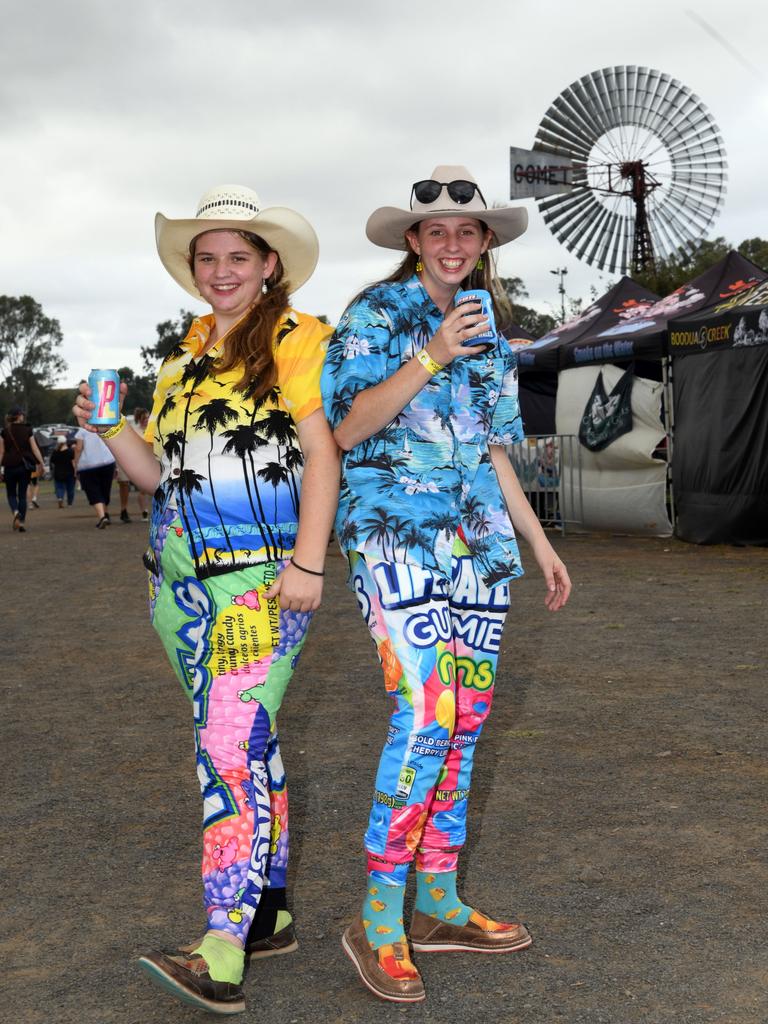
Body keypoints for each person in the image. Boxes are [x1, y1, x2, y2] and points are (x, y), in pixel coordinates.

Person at [74, 183, 339, 1015]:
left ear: (269, 265)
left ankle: (221, 948)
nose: (221, 270)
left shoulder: (301, 340)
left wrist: (309, 563)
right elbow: (156, 478)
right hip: (178, 586)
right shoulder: (180, 361)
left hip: (262, 584)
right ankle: (269, 913)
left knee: (225, 753)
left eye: (238, 256)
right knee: (248, 744)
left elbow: (323, 457)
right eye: (207, 257)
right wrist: (111, 427)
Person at [321, 166, 572, 1003]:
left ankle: (438, 900)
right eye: (437, 232)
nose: (454, 243)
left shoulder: (489, 326)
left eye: (469, 232)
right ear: (414, 242)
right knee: (425, 710)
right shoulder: (374, 314)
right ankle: (378, 919)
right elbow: (349, 427)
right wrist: (431, 355)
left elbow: (496, 449)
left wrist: (538, 543)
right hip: (394, 535)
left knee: (465, 720)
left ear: (485, 243)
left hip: (482, 543)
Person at [0, 407, 45, 532]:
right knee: (22, 495)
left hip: (9, 466)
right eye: (22, 415)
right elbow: (34, 448)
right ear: (19, 416)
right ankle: (22, 522)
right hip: (24, 466)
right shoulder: (27, 429)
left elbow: (1, 452)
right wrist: (41, 463)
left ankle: (15, 512)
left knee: (11, 494)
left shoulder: (5, 431)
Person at [73, 424, 116, 527]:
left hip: (88, 465)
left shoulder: (82, 430)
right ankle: (105, 513)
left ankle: (102, 517)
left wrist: (76, 464)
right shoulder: (105, 426)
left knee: (93, 491)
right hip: (107, 462)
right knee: (105, 489)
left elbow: (78, 448)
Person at [49, 435, 76, 507]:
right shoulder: (70, 451)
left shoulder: (55, 452)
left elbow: (52, 462)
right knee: (70, 488)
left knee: (59, 487)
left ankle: (60, 498)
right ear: (65, 442)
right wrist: (76, 471)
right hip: (70, 472)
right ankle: (70, 503)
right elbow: (73, 463)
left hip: (58, 472)